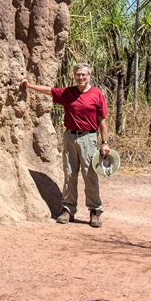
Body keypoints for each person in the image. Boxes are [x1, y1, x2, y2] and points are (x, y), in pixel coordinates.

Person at [21, 63, 109, 228]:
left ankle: (95, 211)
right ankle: (68, 210)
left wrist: (104, 143)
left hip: (89, 138)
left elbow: (102, 122)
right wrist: (29, 86)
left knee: (90, 175)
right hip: (70, 137)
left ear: (89, 75)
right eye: (78, 74)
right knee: (69, 174)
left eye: (83, 75)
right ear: (74, 75)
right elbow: (49, 90)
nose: (80, 77)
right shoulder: (68, 93)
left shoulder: (96, 94)